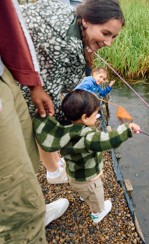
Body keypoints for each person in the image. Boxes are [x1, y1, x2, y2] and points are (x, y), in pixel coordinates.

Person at [20, 0, 125, 184]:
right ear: (85, 21)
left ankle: (54, 165)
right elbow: (47, 103)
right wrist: (80, 121)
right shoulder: (59, 43)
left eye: (114, 37)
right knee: (38, 124)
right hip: (13, 83)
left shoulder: (72, 18)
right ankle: (52, 173)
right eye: (105, 33)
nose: (109, 43)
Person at [0, 1, 69, 243]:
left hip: (3, 75)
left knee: (27, 158)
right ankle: (27, 221)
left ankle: (35, 209)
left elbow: (9, 17)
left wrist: (33, 83)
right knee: (15, 197)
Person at [34, 90, 141, 223]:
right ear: (85, 117)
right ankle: (97, 213)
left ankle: (84, 196)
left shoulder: (66, 130)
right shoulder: (88, 138)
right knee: (97, 197)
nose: (97, 117)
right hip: (89, 181)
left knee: (84, 191)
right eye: (96, 115)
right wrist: (127, 129)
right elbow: (108, 139)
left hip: (73, 176)